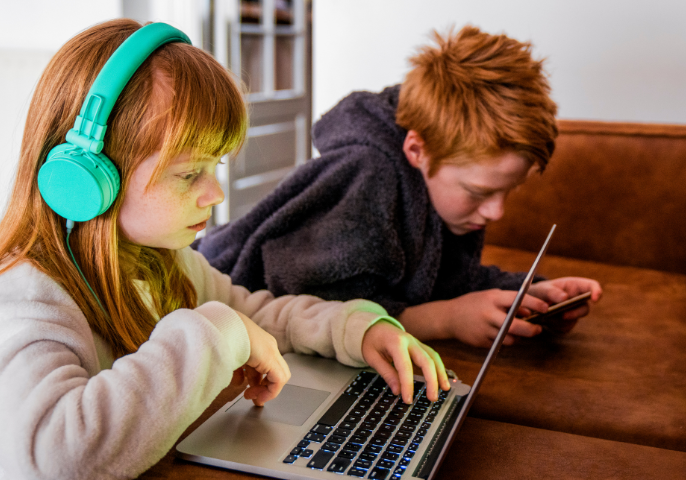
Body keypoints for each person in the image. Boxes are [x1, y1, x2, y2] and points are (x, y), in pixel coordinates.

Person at [0, 19, 450, 480]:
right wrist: (214, 331)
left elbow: (257, 316)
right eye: (190, 173)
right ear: (85, 182)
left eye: (215, 166)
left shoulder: (163, 262)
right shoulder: (29, 299)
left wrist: (356, 328)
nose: (215, 194)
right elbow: (52, 459)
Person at [194, 25, 603, 348]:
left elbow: (442, 279)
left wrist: (529, 292)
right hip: (216, 303)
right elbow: (317, 308)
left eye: (507, 192)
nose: (497, 212)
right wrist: (448, 319)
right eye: (479, 193)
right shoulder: (368, 177)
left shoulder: (442, 192)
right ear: (417, 149)